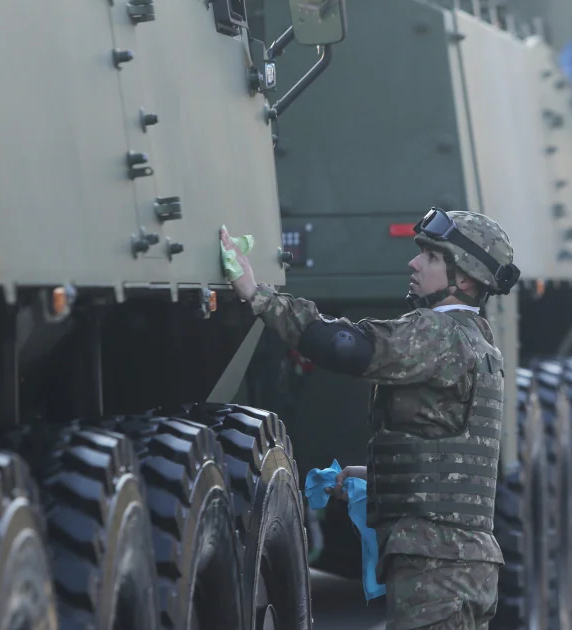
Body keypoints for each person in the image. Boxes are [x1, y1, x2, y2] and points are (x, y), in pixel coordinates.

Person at [220, 207, 521, 629]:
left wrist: (258, 295)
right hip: (458, 560)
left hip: (437, 563)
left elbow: (346, 346)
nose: (414, 264)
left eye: (432, 257)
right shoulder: (478, 341)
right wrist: (377, 477)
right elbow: (450, 454)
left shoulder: (438, 334)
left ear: (465, 278)